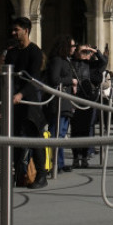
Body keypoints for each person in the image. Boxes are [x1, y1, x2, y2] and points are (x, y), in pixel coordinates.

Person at [5, 16, 48, 188]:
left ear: (26, 30)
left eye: (17, 30)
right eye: (13, 30)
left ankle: (41, 175)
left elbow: (34, 79)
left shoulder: (35, 51)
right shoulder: (11, 52)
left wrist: (21, 95)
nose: (13, 33)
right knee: (14, 139)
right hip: (12, 101)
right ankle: (18, 174)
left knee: (34, 139)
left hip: (29, 101)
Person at [45, 35, 79, 173]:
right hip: (58, 102)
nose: (74, 48)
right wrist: (71, 81)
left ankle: (60, 162)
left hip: (66, 101)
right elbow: (54, 79)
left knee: (62, 133)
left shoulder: (66, 60)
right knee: (56, 133)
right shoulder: (57, 60)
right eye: (72, 46)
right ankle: (55, 163)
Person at [71, 43, 108, 168]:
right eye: (82, 51)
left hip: (90, 100)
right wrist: (78, 52)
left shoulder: (93, 65)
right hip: (75, 100)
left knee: (87, 129)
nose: (85, 54)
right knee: (75, 131)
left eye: (87, 52)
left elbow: (104, 61)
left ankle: (85, 156)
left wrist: (95, 50)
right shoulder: (72, 63)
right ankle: (76, 156)